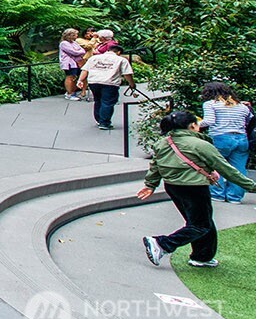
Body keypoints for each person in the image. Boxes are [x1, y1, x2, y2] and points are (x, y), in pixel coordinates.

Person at [139, 109, 256, 268]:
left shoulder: (163, 142)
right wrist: (251, 186)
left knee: (201, 222)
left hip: (173, 187)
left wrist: (150, 185)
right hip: (194, 187)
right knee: (201, 225)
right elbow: (226, 169)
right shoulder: (200, 144)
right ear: (192, 125)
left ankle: (202, 256)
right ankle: (162, 244)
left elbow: (155, 166)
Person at [201, 83, 253, 204]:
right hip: (241, 139)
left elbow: (209, 121)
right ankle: (235, 197)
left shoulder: (210, 104)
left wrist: (194, 124)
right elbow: (249, 119)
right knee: (238, 169)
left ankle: (217, 194)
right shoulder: (242, 106)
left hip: (220, 138)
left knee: (215, 166)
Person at [77, 44, 133, 130]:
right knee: (107, 102)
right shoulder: (121, 60)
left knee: (98, 100)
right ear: (118, 52)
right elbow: (127, 74)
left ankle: (99, 119)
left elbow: (85, 70)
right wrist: (131, 84)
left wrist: (80, 80)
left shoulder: (94, 58)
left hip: (94, 82)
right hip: (110, 83)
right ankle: (104, 122)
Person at [58, 28, 86, 100]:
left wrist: (78, 51)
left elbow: (82, 50)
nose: (77, 36)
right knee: (70, 76)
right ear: (70, 35)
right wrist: (78, 51)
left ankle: (72, 92)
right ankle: (69, 94)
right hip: (69, 63)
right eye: (75, 34)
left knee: (75, 77)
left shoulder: (74, 43)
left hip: (76, 63)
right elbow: (74, 52)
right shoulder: (64, 43)